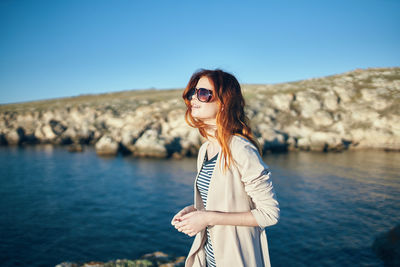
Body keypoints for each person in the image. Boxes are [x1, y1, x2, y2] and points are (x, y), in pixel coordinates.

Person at [171, 69, 280, 267]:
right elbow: (225, 202)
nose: (194, 98)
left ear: (223, 102)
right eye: (192, 93)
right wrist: (194, 212)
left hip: (236, 258)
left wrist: (206, 217)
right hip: (208, 257)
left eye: (203, 93)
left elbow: (269, 214)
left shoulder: (241, 148)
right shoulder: (205, 149)